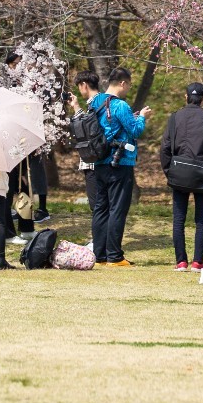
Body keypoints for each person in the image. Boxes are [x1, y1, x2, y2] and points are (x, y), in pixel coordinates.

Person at [79, 69, 147, 267]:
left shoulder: (96, 102)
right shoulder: (120, 105)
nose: (129, 89)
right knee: (117, 208)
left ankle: (99, 255)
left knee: (101, 208)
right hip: (119, 163)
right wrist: (141, 116)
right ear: (123, 84)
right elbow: (135, 130)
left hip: (98, 162)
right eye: (130, 85)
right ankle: (115, 256)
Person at [159, 82, 203, 270]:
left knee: (178, 219)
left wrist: (168, 169)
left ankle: (181, 261)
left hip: (178, 170)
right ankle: (197, 261)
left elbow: (164, 147)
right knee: (201, 219)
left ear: (185, 97)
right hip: (201, 172)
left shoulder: (175, 117)